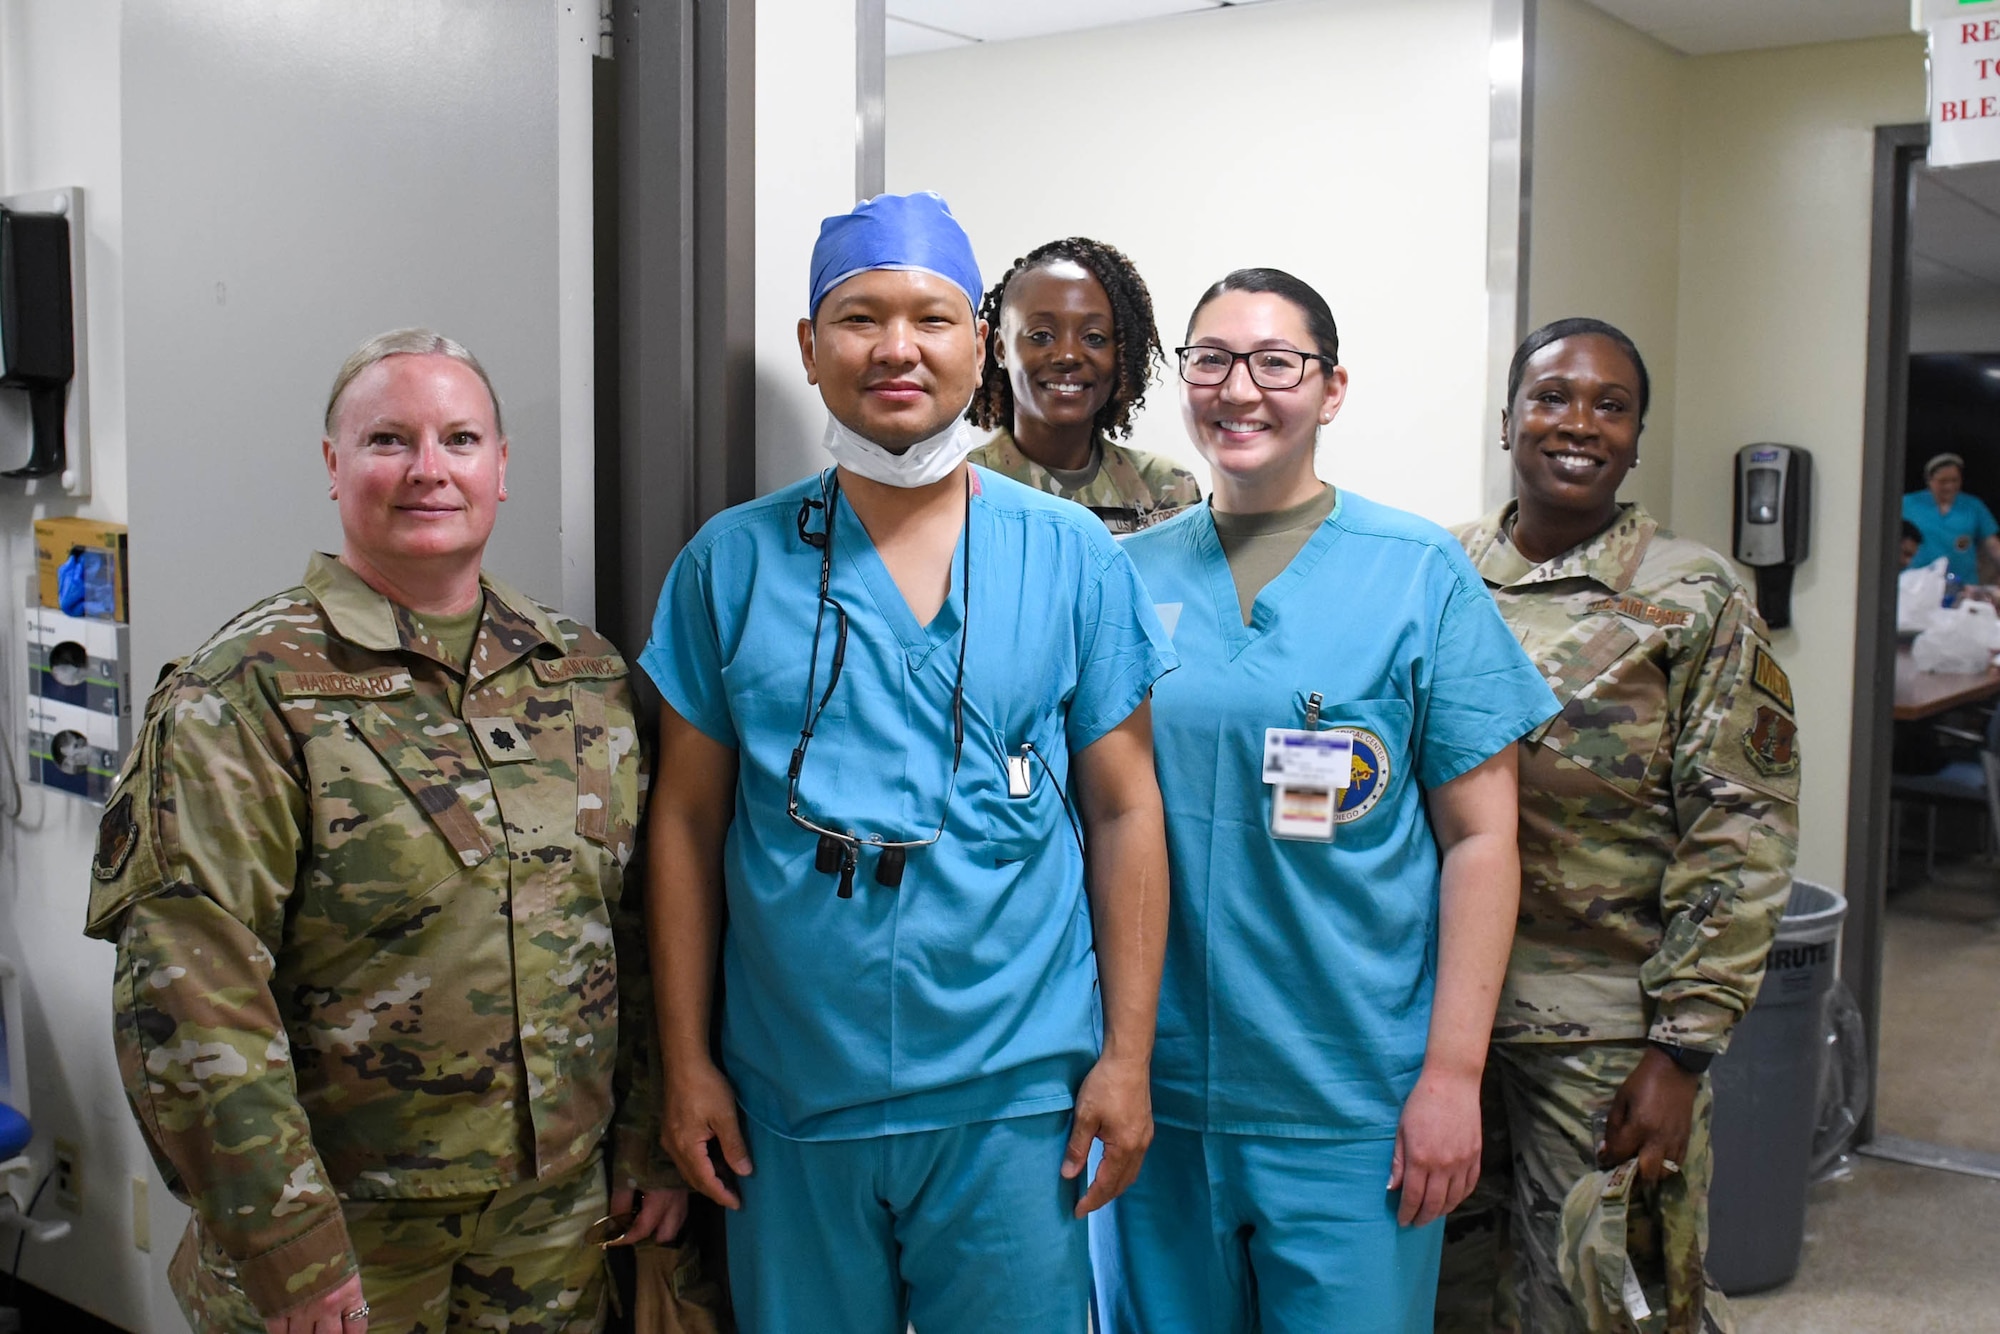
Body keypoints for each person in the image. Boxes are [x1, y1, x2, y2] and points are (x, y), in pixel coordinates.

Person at [641, 192, 1175, 1333]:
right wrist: (684, 1060)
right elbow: (684, 824)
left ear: (974, 344)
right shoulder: (727, 564)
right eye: (857, 317)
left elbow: (1126, 812)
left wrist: (1125, 1057)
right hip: (792, 1095)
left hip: (1014, 1096)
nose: (895, 348)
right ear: (808, 347)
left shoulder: (1070, 553)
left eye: (930, 317)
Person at [84, 329, 683, 1334]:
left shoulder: (580, 672)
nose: (427, 469)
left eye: (458, 438)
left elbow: (636, 925)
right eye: (387, 440)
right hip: (347, 1236)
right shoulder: (246, 689)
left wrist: (647, 1134)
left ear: (501, 467)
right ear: (333, 465)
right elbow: (189, 988)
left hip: (554, 1222)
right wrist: (287, 1245)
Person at [1095, 268, 1558, 1333]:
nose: (1237, 389)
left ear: (1331, 387)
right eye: (1207, 360)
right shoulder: (1121, 575)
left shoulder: (1415, 572)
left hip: (1351, 1099)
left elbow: (1483, 839)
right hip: (1153, 1092)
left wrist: (1449, 1073)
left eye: (1274, 362)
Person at [1437, 317, 1801, 1333]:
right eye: (1551, 395)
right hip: (1443, 1020)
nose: (1577, 422)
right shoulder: (1436, 569)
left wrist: (1681, 1048)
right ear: (1506, 413)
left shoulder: (1692, 595)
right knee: (1450, 1296)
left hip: (1602, 1029)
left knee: (1610, 1300)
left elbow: (1740, 827)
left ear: (1636, 437)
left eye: (1610, 404)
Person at [967, 237, 1200, 533]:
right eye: (1041, 335)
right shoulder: (960, 488)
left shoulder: (1166, 489)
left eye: (1094, 337)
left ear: (1121, 353)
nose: (1068, 355)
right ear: (1000, 349)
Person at [1902, 452, 2000, 585]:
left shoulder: (1973, 506)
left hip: (1963, 586)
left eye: (1955, 480)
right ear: (1929, 480)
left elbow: (1992, 545)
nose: (1949, 486)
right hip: (1917, 584)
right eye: (1943, 481)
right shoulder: (1908, 504)